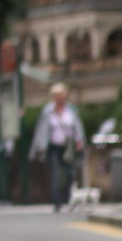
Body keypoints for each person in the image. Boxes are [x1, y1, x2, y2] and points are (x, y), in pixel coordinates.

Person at [31, 83, 85, 212]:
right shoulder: (48, 112)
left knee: (69, 173)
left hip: (68, 147)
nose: (59, 98)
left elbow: (77, 127)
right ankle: (57, 202)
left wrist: (79, 141)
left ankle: (68, 198)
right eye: (57, 96)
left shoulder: (71, 110)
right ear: (53, 97)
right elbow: (42, 131)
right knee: (56, 174)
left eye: (61, 95)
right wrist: (40, 147)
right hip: (54, 147)